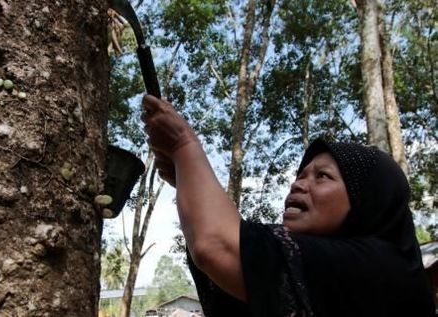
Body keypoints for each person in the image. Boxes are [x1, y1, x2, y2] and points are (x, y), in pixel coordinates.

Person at [141, 94, 435, 316]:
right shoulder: (355, 266)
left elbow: (219, 246)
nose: (298, 184)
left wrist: (183, 145)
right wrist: (191, 183)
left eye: (322, 176)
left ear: (367, 202)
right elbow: (246, 266)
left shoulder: (381, 268)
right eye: (301, 175)